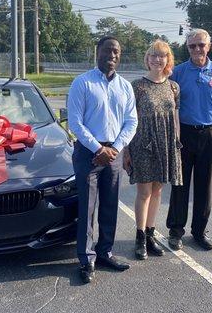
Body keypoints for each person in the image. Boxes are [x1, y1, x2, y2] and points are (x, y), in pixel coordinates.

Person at [67, 36, 138, 284]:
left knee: (110, 205)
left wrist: (116, 148)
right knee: (87, 208)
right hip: (89, 154)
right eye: (107, 50)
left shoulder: (125, 87)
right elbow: (75, 122)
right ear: (97, 51)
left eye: (116, 51)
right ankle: (86, 260)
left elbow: (131, 121)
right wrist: (98, 148)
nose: (112, 55)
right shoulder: (82, 83)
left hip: (114, 155)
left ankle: (105, 252)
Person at [166, 28, 212, 251]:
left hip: (210, 134)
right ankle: (176, 231)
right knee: (180, 184)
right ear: (187, 48)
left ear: (209, 46)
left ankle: (199, 231)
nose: (197, 49)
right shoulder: (177, 73)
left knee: (205, 186)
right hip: (184, 133)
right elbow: (168, 105)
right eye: (192, 46)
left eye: (201, 45)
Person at [123, 40, 183, 260]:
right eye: (153, 55)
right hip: (142, 145)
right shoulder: (137, 86)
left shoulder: (173, 87)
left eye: (162, 55)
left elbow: (174, 118)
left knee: (158, 192)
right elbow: (128, 120)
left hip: (166, 144)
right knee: (144, 192)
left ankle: (150, 234)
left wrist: (176, 144)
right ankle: (139, 237)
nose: (158, 59)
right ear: (147, 59)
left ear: (168, 59)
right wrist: (126, 151)